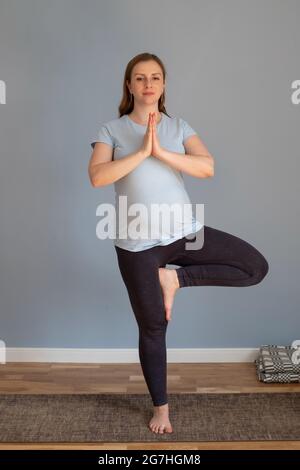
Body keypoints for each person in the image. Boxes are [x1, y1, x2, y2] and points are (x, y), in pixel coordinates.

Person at [88, 53, 269, 435]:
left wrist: (162, 151)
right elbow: (99, 177)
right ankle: (161, 409)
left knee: (254, 267)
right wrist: (140, 151)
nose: (148, 84)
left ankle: (175, 280)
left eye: (155, 77)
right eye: (140, 78)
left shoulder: (178, 126)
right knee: (153, 327)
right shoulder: (111, 130)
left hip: (185, 234)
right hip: (137, 245)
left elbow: (207, 166)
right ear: (130, 85)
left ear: (164, 84)